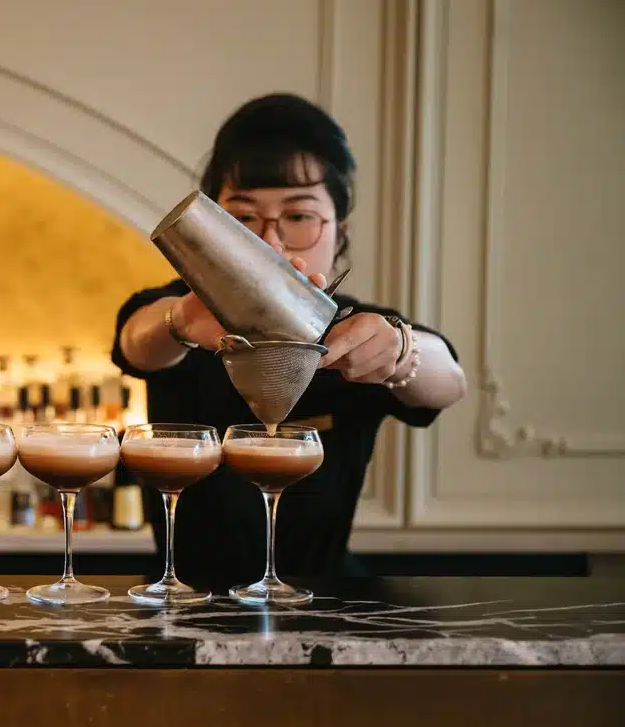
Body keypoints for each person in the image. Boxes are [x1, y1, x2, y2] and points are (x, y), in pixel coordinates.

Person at [112, 93, 466, 589]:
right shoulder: (187, 310)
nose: (270, 243)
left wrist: (401, 353)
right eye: (243, 218)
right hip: (183, 600)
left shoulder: (358, 328)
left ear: (338, 232)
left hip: (323, 602)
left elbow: (449, 377)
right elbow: (134, 342)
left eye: (298, 217)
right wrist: (180, 320)